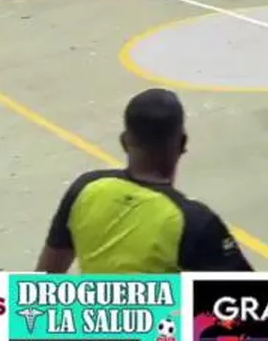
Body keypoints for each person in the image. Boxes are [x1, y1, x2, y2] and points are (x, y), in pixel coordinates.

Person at [36, 88, 253, 273]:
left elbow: (44, 281)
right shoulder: (194, 223)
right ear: (182, 143)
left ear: (124, 142)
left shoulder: (85, 189)